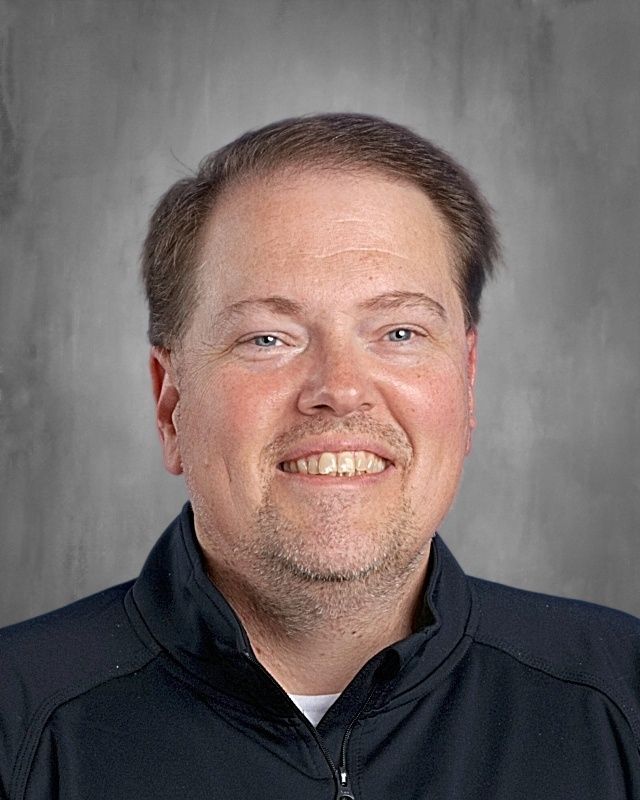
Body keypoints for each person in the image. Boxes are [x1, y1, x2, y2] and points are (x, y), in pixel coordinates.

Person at [1, 113, 639, 800]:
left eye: (399, 332)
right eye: (267, 339)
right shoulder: (18, 726)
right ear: (170, 403)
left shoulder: (622, 699)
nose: (339, 390)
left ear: (467, 377)